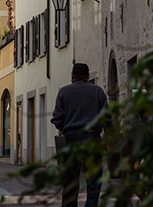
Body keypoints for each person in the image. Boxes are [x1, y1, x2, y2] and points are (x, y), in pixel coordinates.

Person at [51, 63, 110, 207]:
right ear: (87, 76)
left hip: (71, 140)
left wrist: (65, 129)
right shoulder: (98, 92)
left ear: (72, 76)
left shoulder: (64, 92)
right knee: (94, 181)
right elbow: (106, 119)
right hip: (92, 140)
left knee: (70, 182)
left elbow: (57, 119)